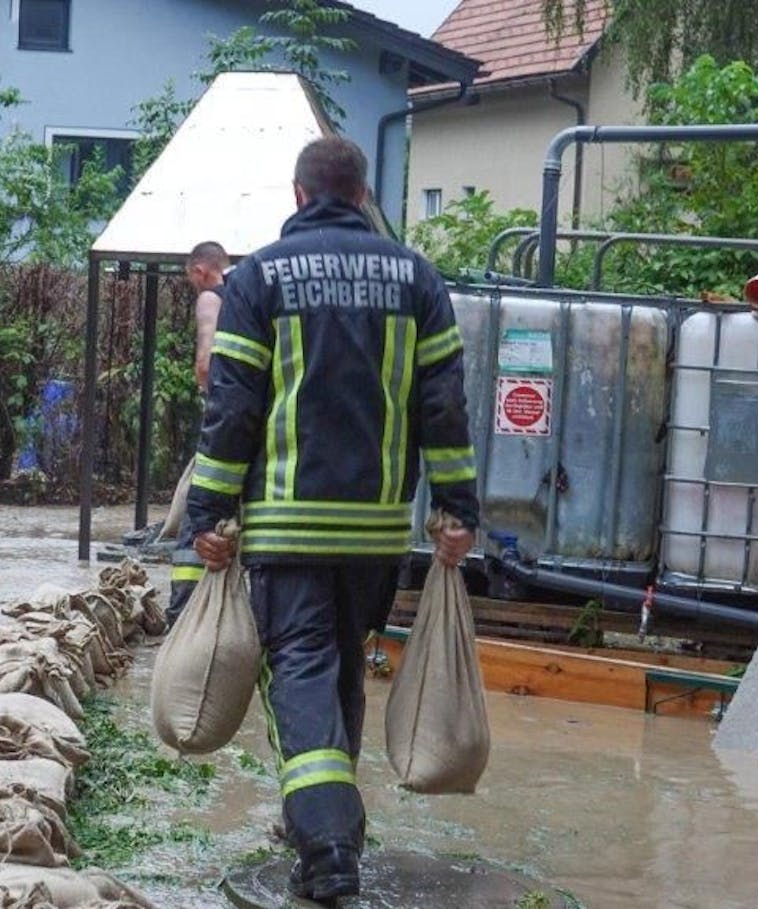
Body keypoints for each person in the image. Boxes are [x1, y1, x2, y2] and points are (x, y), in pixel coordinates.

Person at [182, 136, 479, 907]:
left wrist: (210, 511)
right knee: (343, 666)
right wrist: (457, 508)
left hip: (288, 529)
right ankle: (330, 821)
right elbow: (442, 406)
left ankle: (327, 847)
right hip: (378, 535)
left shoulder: (257, 280)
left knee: (301, 677)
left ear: (297, 195)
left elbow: (234, 407)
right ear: (360, 195)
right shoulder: (417, 277)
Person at [162, 241, 230, 626]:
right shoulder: (254, 295)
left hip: (224, 425)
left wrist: (206, 392)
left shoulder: (210, 298)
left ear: (201, 270)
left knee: (197, 514)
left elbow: (205, 363)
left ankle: (182, 618)